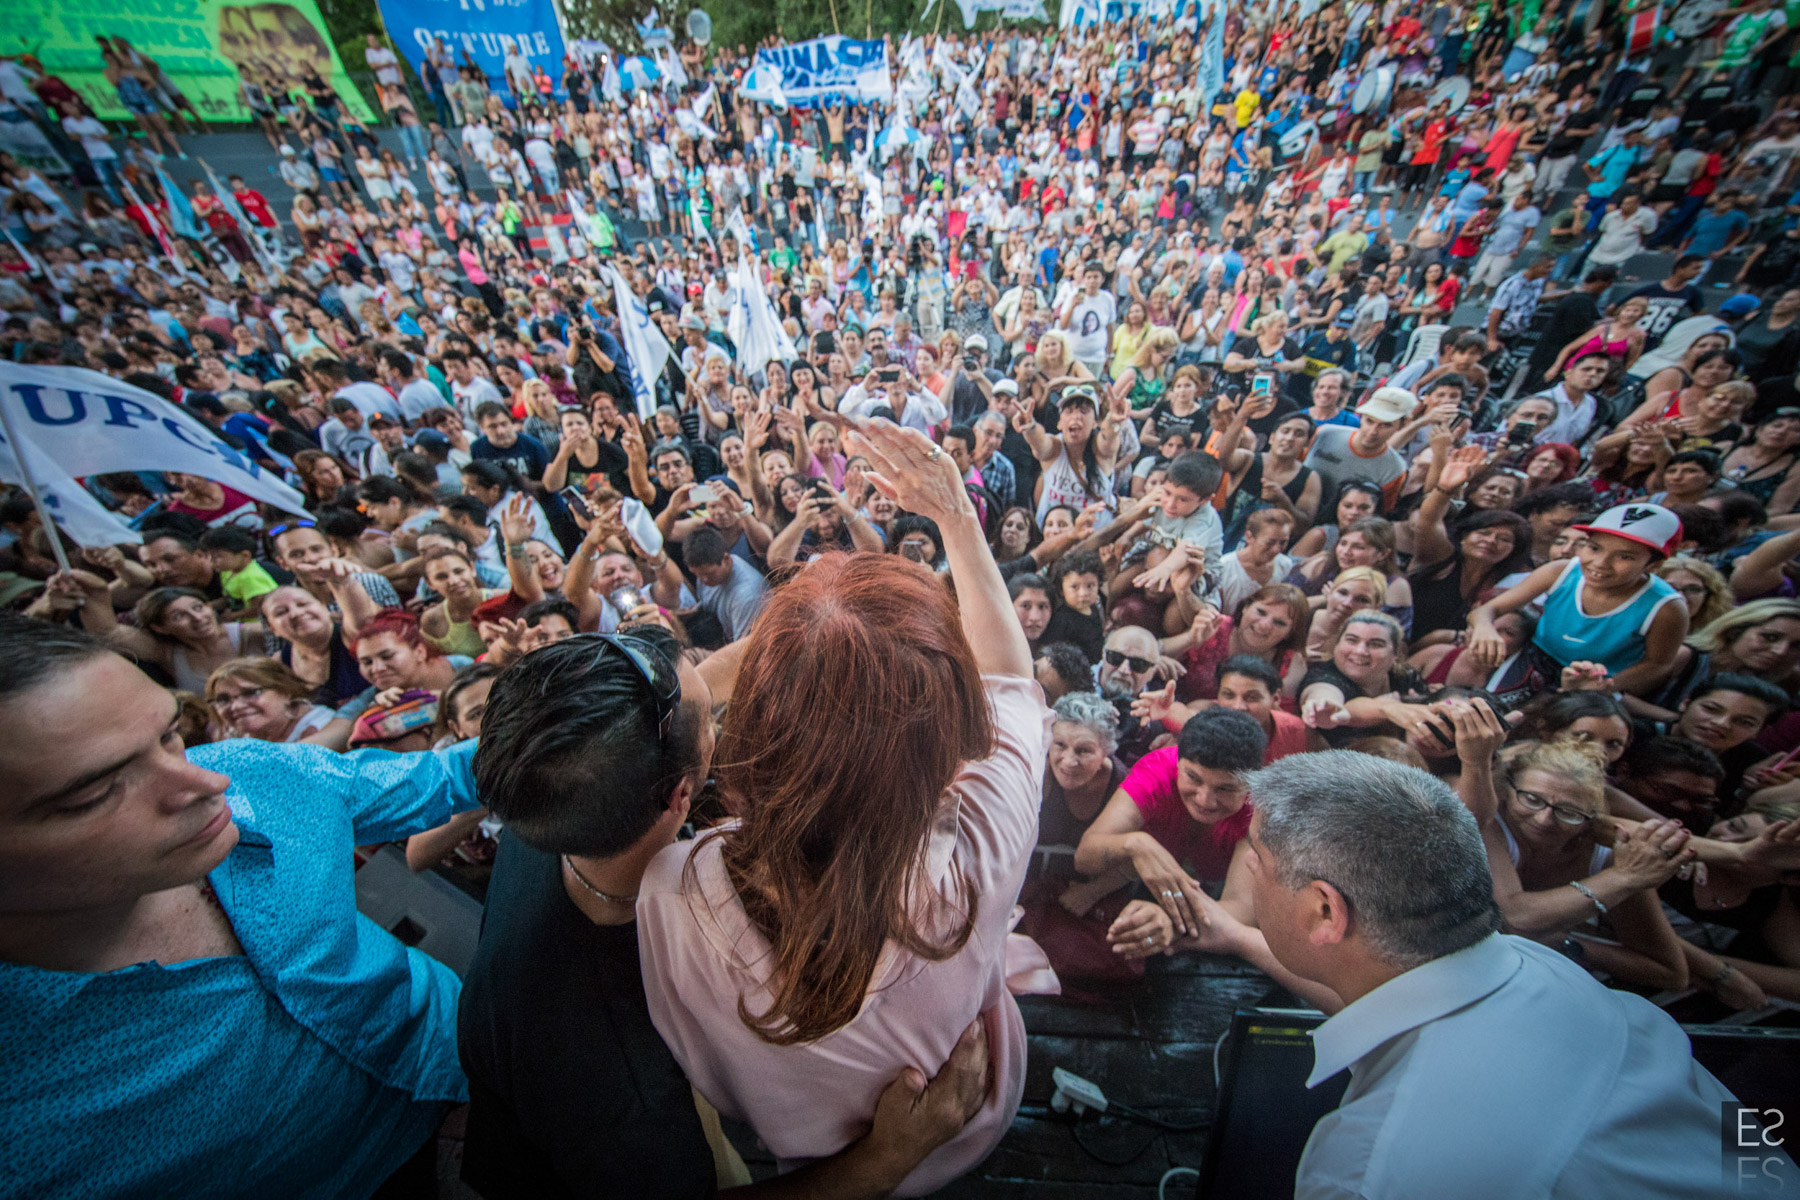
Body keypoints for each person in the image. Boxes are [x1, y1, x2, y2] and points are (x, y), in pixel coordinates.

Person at [634, 421, 1041, 1196]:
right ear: (953, 735)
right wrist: (956, 518)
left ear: (749, 731)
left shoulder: (670, 887)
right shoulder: (986, 838)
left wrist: (782, 658)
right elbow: (1011, 680)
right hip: (977, 1118)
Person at [0, 613, 488, 1196]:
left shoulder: (247, 774)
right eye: (97, 791)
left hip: (477, 1059)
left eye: (170, 735)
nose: (201, 782)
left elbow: (441, 777)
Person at [1244, 749, 1785, 1199]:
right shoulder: (1547, 967)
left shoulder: (1372, 1169)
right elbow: (1739, 1128)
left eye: (1258, 861)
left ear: (1325, 912)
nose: (1247, 870)